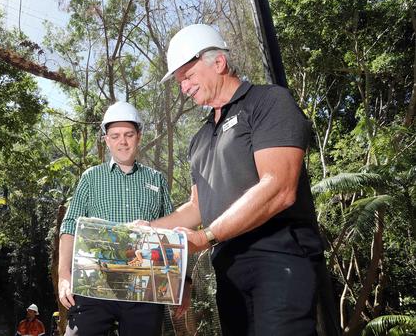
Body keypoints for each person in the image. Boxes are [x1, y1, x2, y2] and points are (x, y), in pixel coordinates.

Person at [146, 24, 326, 335]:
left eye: (188, 76)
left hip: (279, 256)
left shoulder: (268, 102)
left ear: (218, 63)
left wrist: (205, 237)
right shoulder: (199, 139)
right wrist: (149, 229)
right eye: (179, 82)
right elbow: (197, 207)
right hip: (227, 268)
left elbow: (279, 188)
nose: (184, 88)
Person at [57, 101, 175, 336]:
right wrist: (64, 276)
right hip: (94, 284)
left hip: (145, 289)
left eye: (129, 134)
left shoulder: (157, 180)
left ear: (139, 137)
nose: (123, 141)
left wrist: (182, 285)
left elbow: (173, 234)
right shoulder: (91, 178)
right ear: (106, 139)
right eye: (116, 135)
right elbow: (70, 226)